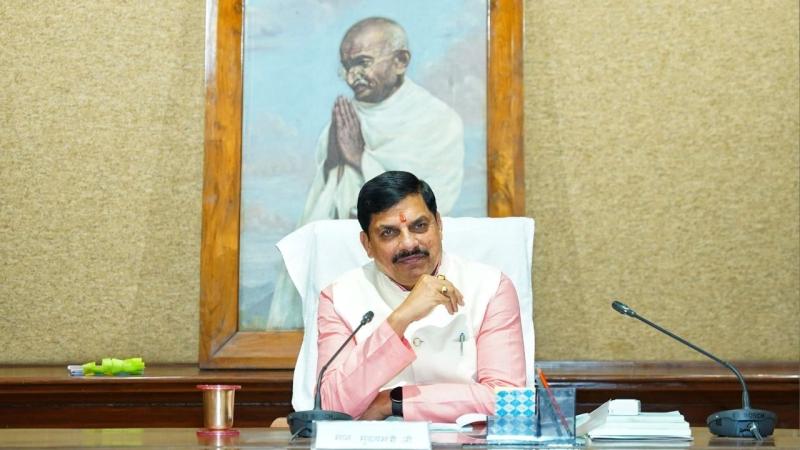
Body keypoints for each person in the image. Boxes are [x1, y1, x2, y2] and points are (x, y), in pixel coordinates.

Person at [316, 171, 525, 423]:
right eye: (389, 233)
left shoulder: (490, 287)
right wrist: (400, 319)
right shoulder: (339, 298)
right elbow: (331, 407)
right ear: (367, 244)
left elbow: (509, 402)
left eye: (419, 226)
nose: (408, 244)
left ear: (439, 225)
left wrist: (393, 402)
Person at [299, 17, 464, 224]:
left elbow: (431, 210)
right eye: (347, 67)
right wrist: (332, 164)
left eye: (363, 63)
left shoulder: (439, 121)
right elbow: (323, 209)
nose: (351, 78)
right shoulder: (346, 120)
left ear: (400, 61)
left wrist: (359, 159)